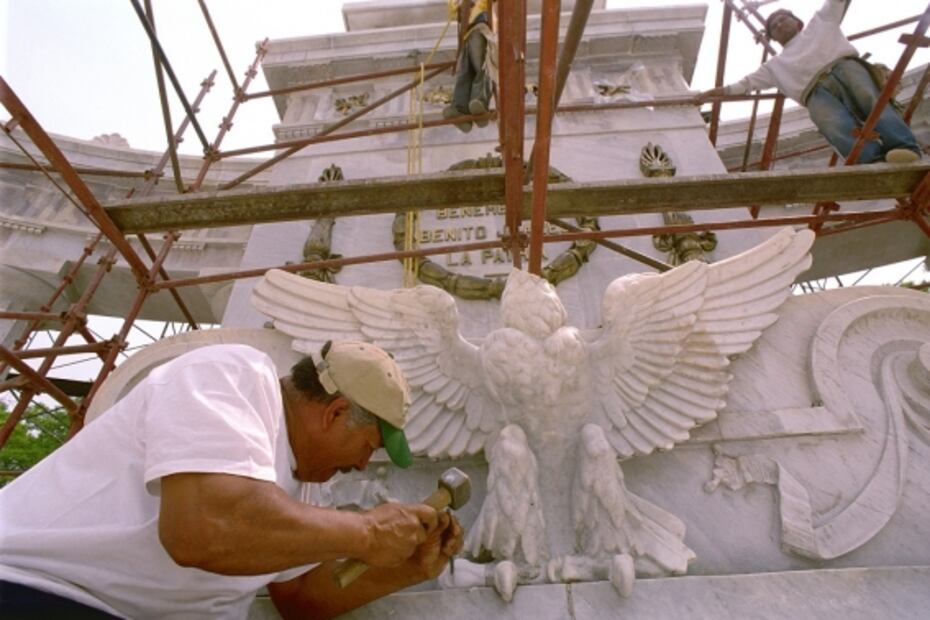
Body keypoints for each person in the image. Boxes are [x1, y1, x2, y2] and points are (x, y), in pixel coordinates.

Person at [0, 340, 464, 619]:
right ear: (335, 413)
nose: (363, 466)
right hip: (39, 593)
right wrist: (367, 532)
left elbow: (300, 598)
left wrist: (409, 568)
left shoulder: (302, 485)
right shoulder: (233, 376)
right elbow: (203, 530)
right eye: (367, 446)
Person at [697, 0, 921, 164]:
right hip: (814, 93)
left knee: (872, 102)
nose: (779, 25)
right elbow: (743, 86)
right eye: (773, 26)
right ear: (773, 38)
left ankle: (904, 146)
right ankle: (872, 161)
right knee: (835, 124)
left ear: (798, 22)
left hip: (845, 67)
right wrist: (708, 94)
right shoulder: (774, 66)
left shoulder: (820, 21)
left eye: (783, 19)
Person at [443, 0, 493, 133]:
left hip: (482, 28)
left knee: (482, 66)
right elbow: (453, 12)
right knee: (465, 72)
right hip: (467, 33)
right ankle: (460, 109)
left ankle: (480, 102)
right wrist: (459, 4)